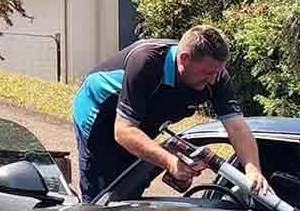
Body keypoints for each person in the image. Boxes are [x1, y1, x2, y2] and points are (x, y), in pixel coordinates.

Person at [70, 25, 268, 202]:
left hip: (144, 116)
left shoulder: (215, 74)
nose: (213, 80)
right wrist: (170, 162)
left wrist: (252, 169)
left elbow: (237, 128)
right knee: (103, 191)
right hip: (100, 116)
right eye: (207, 73)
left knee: (132, 181)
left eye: (218, 72)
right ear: (184, 59)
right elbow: (123, 131)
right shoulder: (146, 62)